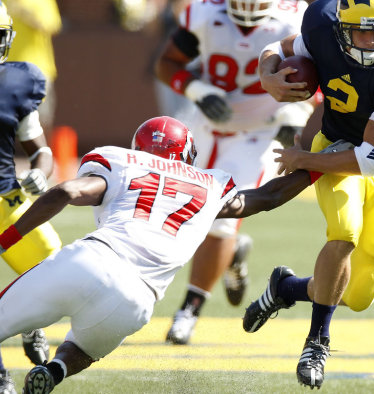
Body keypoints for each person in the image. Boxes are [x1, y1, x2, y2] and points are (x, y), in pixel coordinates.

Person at [0, 116, 313, 394]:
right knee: (82, 349)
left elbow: (67, 192)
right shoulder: (209, 184)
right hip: (136, 300)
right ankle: (55, 371)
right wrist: (320, 167)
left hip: (90, 261)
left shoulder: (121, 162)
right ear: (188, 154)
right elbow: (269, 195)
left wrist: (7, 239)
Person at [242, 0, 374, 389]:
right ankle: (317, 342)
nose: (372, 43)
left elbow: (368, 159)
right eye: (361, 34)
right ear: (341, 28)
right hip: (333, 144)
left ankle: (286, 288)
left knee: (359, 295)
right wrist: (268, 75)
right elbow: (276, 47)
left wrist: (302, 160)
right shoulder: (321, 23)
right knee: (344, 234)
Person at [155, 0, 319, 345]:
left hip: (261, 132)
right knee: (176, 212)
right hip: (206, 125)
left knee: (223, 217)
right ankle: (232, 253)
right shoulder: (203, 10)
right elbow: (167, 63)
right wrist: (197, 89)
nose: (246, 12)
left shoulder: (294, 20)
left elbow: (315, 80)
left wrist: (294, 116)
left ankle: (189, 310)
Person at [0, 0, 62, 394]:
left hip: (4, 204)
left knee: (48, 265)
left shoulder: (15, 82)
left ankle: (29, 321)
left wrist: (40, 171)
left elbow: (39, 147)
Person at [0, 0, 62, 134]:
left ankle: (42, 154)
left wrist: (25, 13)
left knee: (41, 118)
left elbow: (52, 26)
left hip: (37, 68)